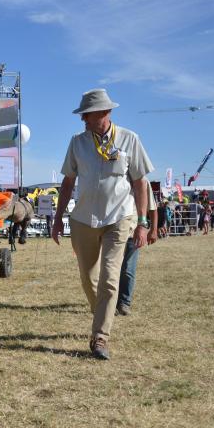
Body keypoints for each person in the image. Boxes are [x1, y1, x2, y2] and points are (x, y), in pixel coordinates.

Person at [52, 89, 153, 360]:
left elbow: (140, 183)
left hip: (119, 218)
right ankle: (100, 313)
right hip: (84, 218)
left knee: (110, 278)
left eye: (87, 115)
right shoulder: (77, 142)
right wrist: (58, 218)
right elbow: (67, 182)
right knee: (88, 278)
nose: (83, 119)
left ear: (105, 113)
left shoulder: (130, 140)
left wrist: (143, 222)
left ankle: (100, 337)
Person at [116, 180, 158, 316]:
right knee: (111, 269)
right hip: (113, 231)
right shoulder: (117, 176)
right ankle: (110, 302)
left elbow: (152, 207)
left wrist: (153, 230)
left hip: (133, 231)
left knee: (128, 269)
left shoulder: (143, 182)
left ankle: (124, 302)